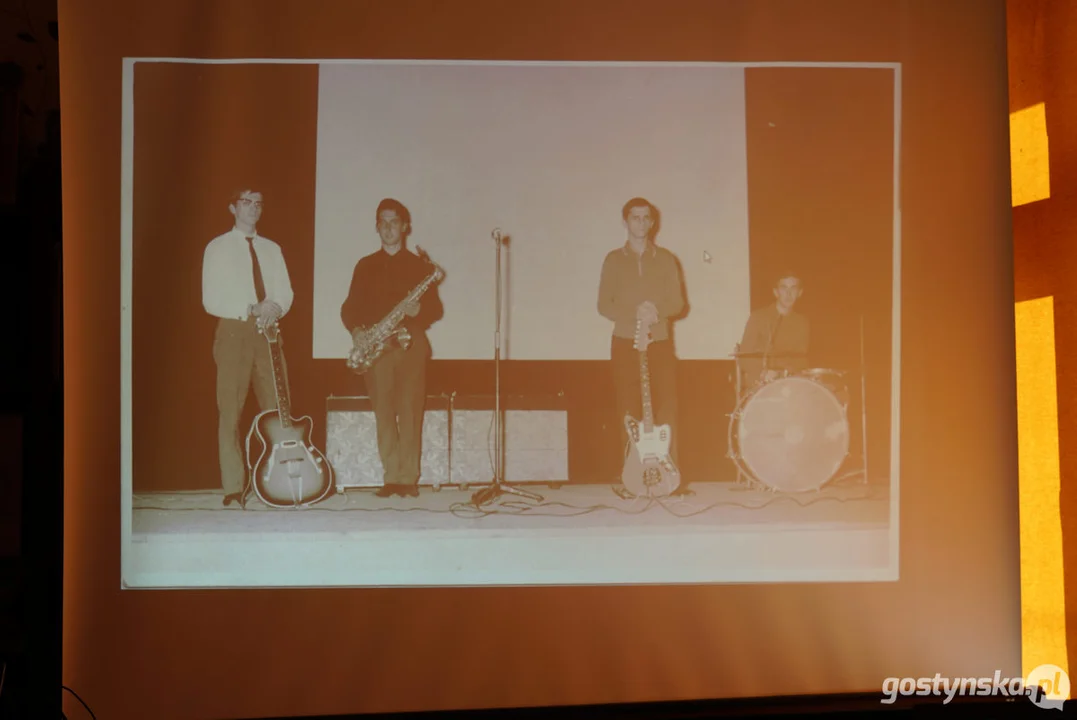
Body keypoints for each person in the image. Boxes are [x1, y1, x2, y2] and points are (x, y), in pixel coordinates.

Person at [340, 198, 444, 498]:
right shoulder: (365, 265)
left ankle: (408, 478)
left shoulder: (420, 266)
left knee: (410, 410)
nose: (388, 227)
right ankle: (392, 476)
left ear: (405, 226)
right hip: (377, 346)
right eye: (382, 222)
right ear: (376, 227)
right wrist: (358, 330)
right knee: (383, 411)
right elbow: (349, 308)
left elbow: (435, 310)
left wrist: (417, 311)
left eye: (394, 221)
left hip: (410, 343)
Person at [202, 188, 294, 508]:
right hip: (233, 331)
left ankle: (282, 482)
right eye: (246, 202)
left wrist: (275, 308)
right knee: (231, 411)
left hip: (269, 331)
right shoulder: (218, 248)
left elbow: (285, 292)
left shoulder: (272, 248)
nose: (253, 209)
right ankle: (233, 487)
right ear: (232, 207)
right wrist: (252, 308)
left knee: (279, 411)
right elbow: (210, 299)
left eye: (258, 203)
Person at [598, 197, 689, 496]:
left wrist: (656, 312)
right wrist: (635, 313)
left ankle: (670, 477)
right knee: (627, 409)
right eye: (634, 217)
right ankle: (629, 478)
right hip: (625, 342)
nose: (640, 222)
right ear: (625, 222)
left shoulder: (665, 259)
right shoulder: (613, 259)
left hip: (659, 343)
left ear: (652, 222)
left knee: (667, 407)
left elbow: (678, 303)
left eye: (645, 217)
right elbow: (603, 304)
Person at [736, 271, 810, 390]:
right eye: (783, 288)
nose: (788, 293)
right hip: (760, 383)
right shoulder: (758, 317)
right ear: (775, 292)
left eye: (793, 288)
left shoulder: (802, 322)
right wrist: (764, 372)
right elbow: (745, 357)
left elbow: (801, 360)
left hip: (788, 382)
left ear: (800, 293)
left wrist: (786, 374)